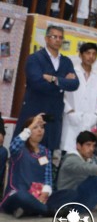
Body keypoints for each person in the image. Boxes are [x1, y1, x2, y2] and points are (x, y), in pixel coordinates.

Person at [14, 25, 79, 153]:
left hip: (53, 116)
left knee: (47, 156)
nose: (58, 40)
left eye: (61, 37)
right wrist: (62, 85)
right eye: (54, 36)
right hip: (34, 113)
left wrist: (55, 79)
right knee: (26, 153)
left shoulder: (66, 62)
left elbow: (75, 84)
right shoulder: (35, 58)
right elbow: (37, 83)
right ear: (46, 39)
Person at [1, 115, 53, 218]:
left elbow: (48, 178)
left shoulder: (46, 152)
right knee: (21, 196)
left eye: (41, 128)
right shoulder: (19, 149)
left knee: (69, 193)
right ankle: (47, 211)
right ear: (28, 131)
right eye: (35, 127)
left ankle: (29, 209)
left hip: (38, 196)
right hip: (16, 194)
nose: (39, 130)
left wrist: (45, 193)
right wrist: (32, 123)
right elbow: (14, 145)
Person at [60, 42, 97, 154]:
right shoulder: (71, 72)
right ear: (81, 55)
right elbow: (62, 94)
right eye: (88, 53)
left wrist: (95, 115)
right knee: (68, 154)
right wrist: (70, 111)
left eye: (94, 54)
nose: (91, 57)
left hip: (89, 120)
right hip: (72, 119)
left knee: (85, 155)